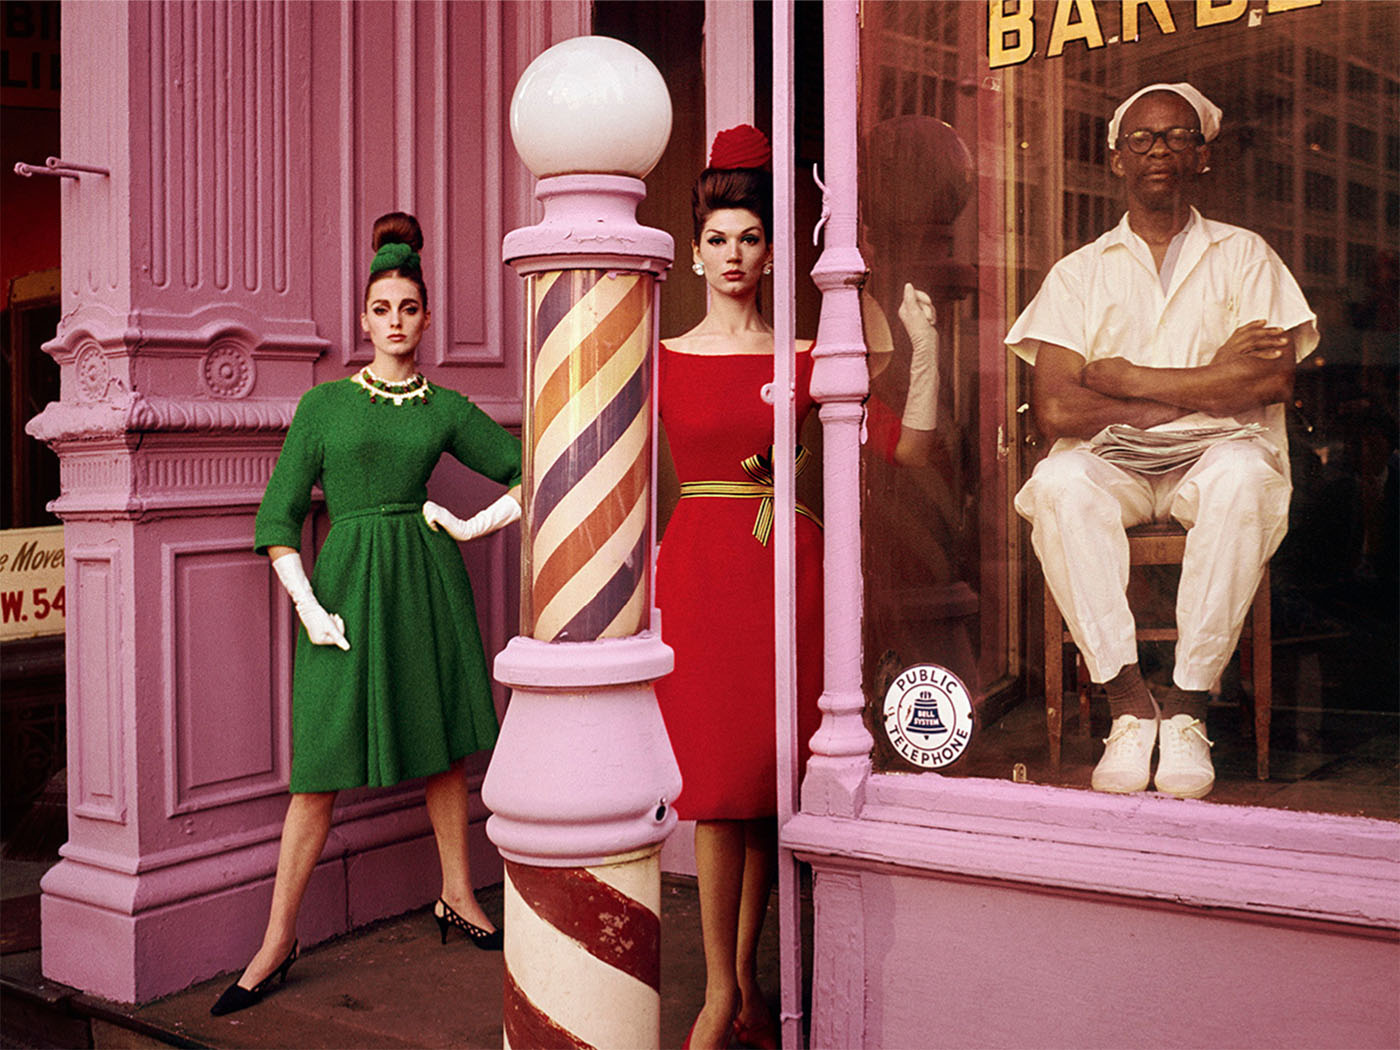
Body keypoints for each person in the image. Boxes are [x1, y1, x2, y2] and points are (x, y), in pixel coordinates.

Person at [211, 212, 522, 1016]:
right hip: (343, 591)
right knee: (318, 771)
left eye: (408, 308)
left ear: (426, 316)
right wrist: (309, 605)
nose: (395, 322)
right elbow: (278, 517)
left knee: (444, 748)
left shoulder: (443, 407)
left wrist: (473, 522)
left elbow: (537, 463)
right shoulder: (323, 407)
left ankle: (457, 892)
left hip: (425, 582)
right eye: (381, 309)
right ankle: (277, 940)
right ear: (364, 317)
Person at [1007, 83, 1317, 799]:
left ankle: (1186, 708)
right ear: (1116, 159)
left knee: (1244, 477)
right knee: (1057, 484)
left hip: (1215, 455)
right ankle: (1127, 705)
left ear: (1202, 156)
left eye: (1178, 137)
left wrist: (1122, 378)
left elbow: (1270, 384)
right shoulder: (1078, 273)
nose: (1159, 151)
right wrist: (1212, 378)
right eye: (1142, 139)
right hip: (1113, 461)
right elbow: (1055, 405)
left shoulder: (1246, 257)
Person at [655, 125, 821, 1050]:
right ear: (695, 250)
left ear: (771, 250)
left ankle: (752, 984)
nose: (733, 255)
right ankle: (719, 992)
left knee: (765, 785)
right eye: (718, 238)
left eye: (750, 238)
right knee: (717, 784)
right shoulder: (665, 351)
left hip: (783, 565)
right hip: (704, 565)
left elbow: (871, 441)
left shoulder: (801, 352)